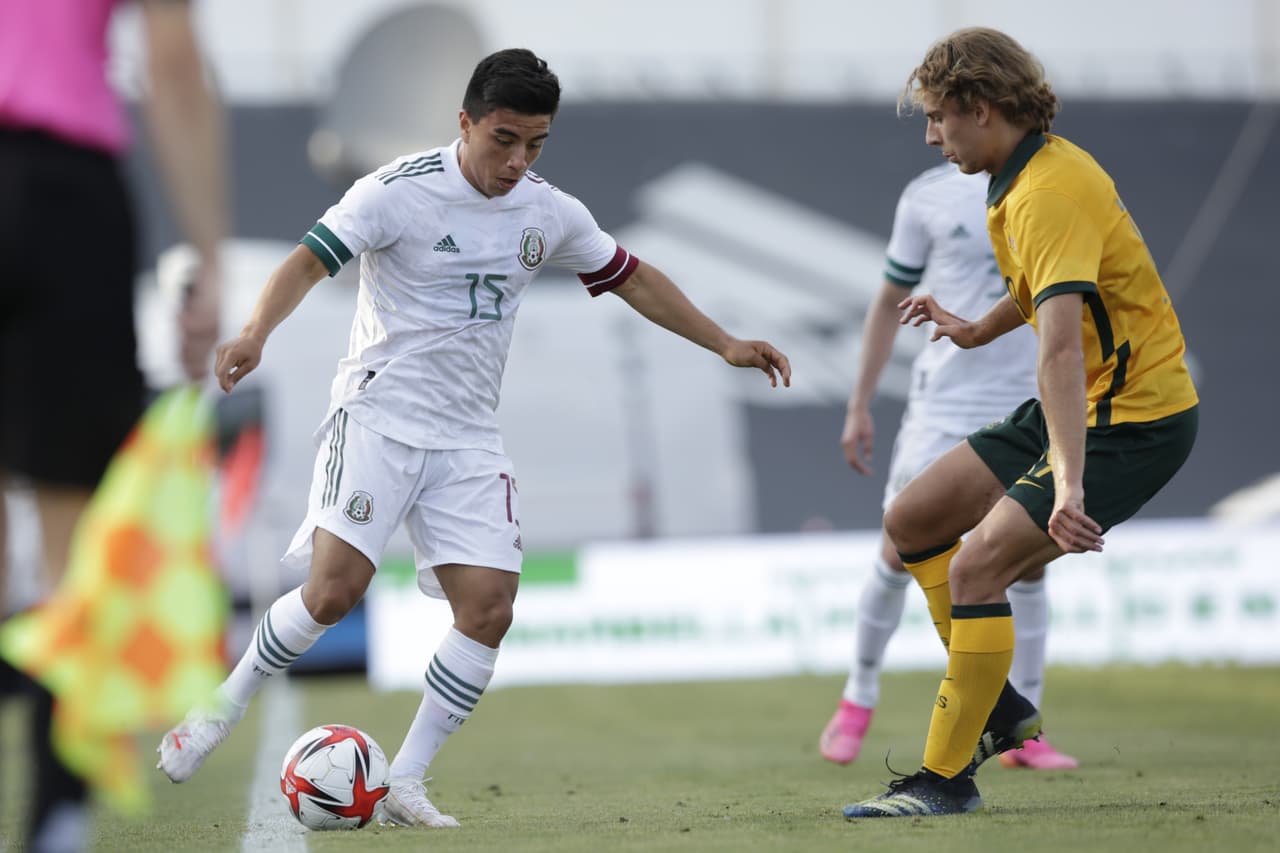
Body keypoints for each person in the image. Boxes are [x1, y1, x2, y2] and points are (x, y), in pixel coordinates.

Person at [156, 48, 791, 829]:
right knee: (331, 592)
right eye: (504, 140)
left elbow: (635, 277)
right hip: (378, 417)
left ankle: (406, 782)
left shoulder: (548, 211)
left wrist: (724, 342)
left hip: (466, 439)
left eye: (536, 144)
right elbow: (306, 261)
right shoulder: (395, 193)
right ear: (464, 123)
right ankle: (216, 712)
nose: (518, 161)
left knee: (489, 608)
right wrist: (254, 333)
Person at [842, 27, 1198, 818]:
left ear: (983, 107)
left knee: (975, 570)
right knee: (912, 520)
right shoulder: (1022, 175)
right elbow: (1047, 289)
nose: (933, 135)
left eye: (939, 117)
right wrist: (973, 329)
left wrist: (1069, 482)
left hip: (1136, 416)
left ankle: (944, 780)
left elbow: (1063, 350)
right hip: (1095, 400)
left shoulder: (1044, 191)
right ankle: (1002, 710)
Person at [0, 1, 226, 849]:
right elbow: (172, 64)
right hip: (62, 198)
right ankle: (55, 818)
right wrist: (208, 256)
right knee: (71, 549)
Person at [819, 163, 1077, 771]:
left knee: (1030, 563)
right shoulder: (928, 196)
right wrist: (859, 403)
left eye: (942, 115)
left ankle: (1027, 730)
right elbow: (888, 300)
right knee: (898, 547)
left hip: (1028, 403)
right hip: (945, 405)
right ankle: (858, 697)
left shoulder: (1058, 185)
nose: (934, 132)